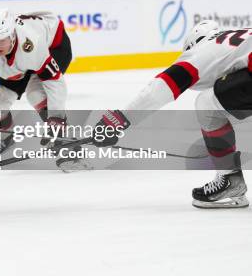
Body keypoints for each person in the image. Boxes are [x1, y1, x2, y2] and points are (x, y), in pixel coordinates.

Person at [92, 21, 251, 208]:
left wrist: (118, 120)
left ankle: (229, 176)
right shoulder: (237, 39)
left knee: (207, 105)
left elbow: (160, 89)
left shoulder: (201, 51)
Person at [0, 8, 82, 170]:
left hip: (53, 45)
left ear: (12, 35)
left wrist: (56, 118)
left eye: (1, 40)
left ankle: (67, 143)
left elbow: (55, 82)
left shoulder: (31, 44)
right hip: (19, 58)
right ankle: (6, 137)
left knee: (35, 94)